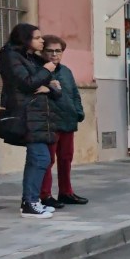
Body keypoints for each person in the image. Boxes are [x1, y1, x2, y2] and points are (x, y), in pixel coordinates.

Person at [0, 23, 61, 219]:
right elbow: (27, 83)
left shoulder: (31, 58)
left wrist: (49, 86)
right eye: (37, 37)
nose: (42, 40)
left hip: (38, 115)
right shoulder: (10, 56)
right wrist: (47, 69)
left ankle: (31, 201)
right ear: (25, 39)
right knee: (40, 158)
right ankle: (30, 203)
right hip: (26, 114)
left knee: (39, 158)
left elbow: (55, 88)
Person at [38, 35, 88, 209]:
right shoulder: (39, 70)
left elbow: (74, 93)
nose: (54, 54)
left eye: (58, 51)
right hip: (49, 121)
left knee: (66, 158)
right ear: (42, 52)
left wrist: (78, 112)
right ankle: (45, 195)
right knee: (48, 159)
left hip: (67, 119)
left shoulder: (66, 71)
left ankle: (66, 192)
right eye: (50, 51)